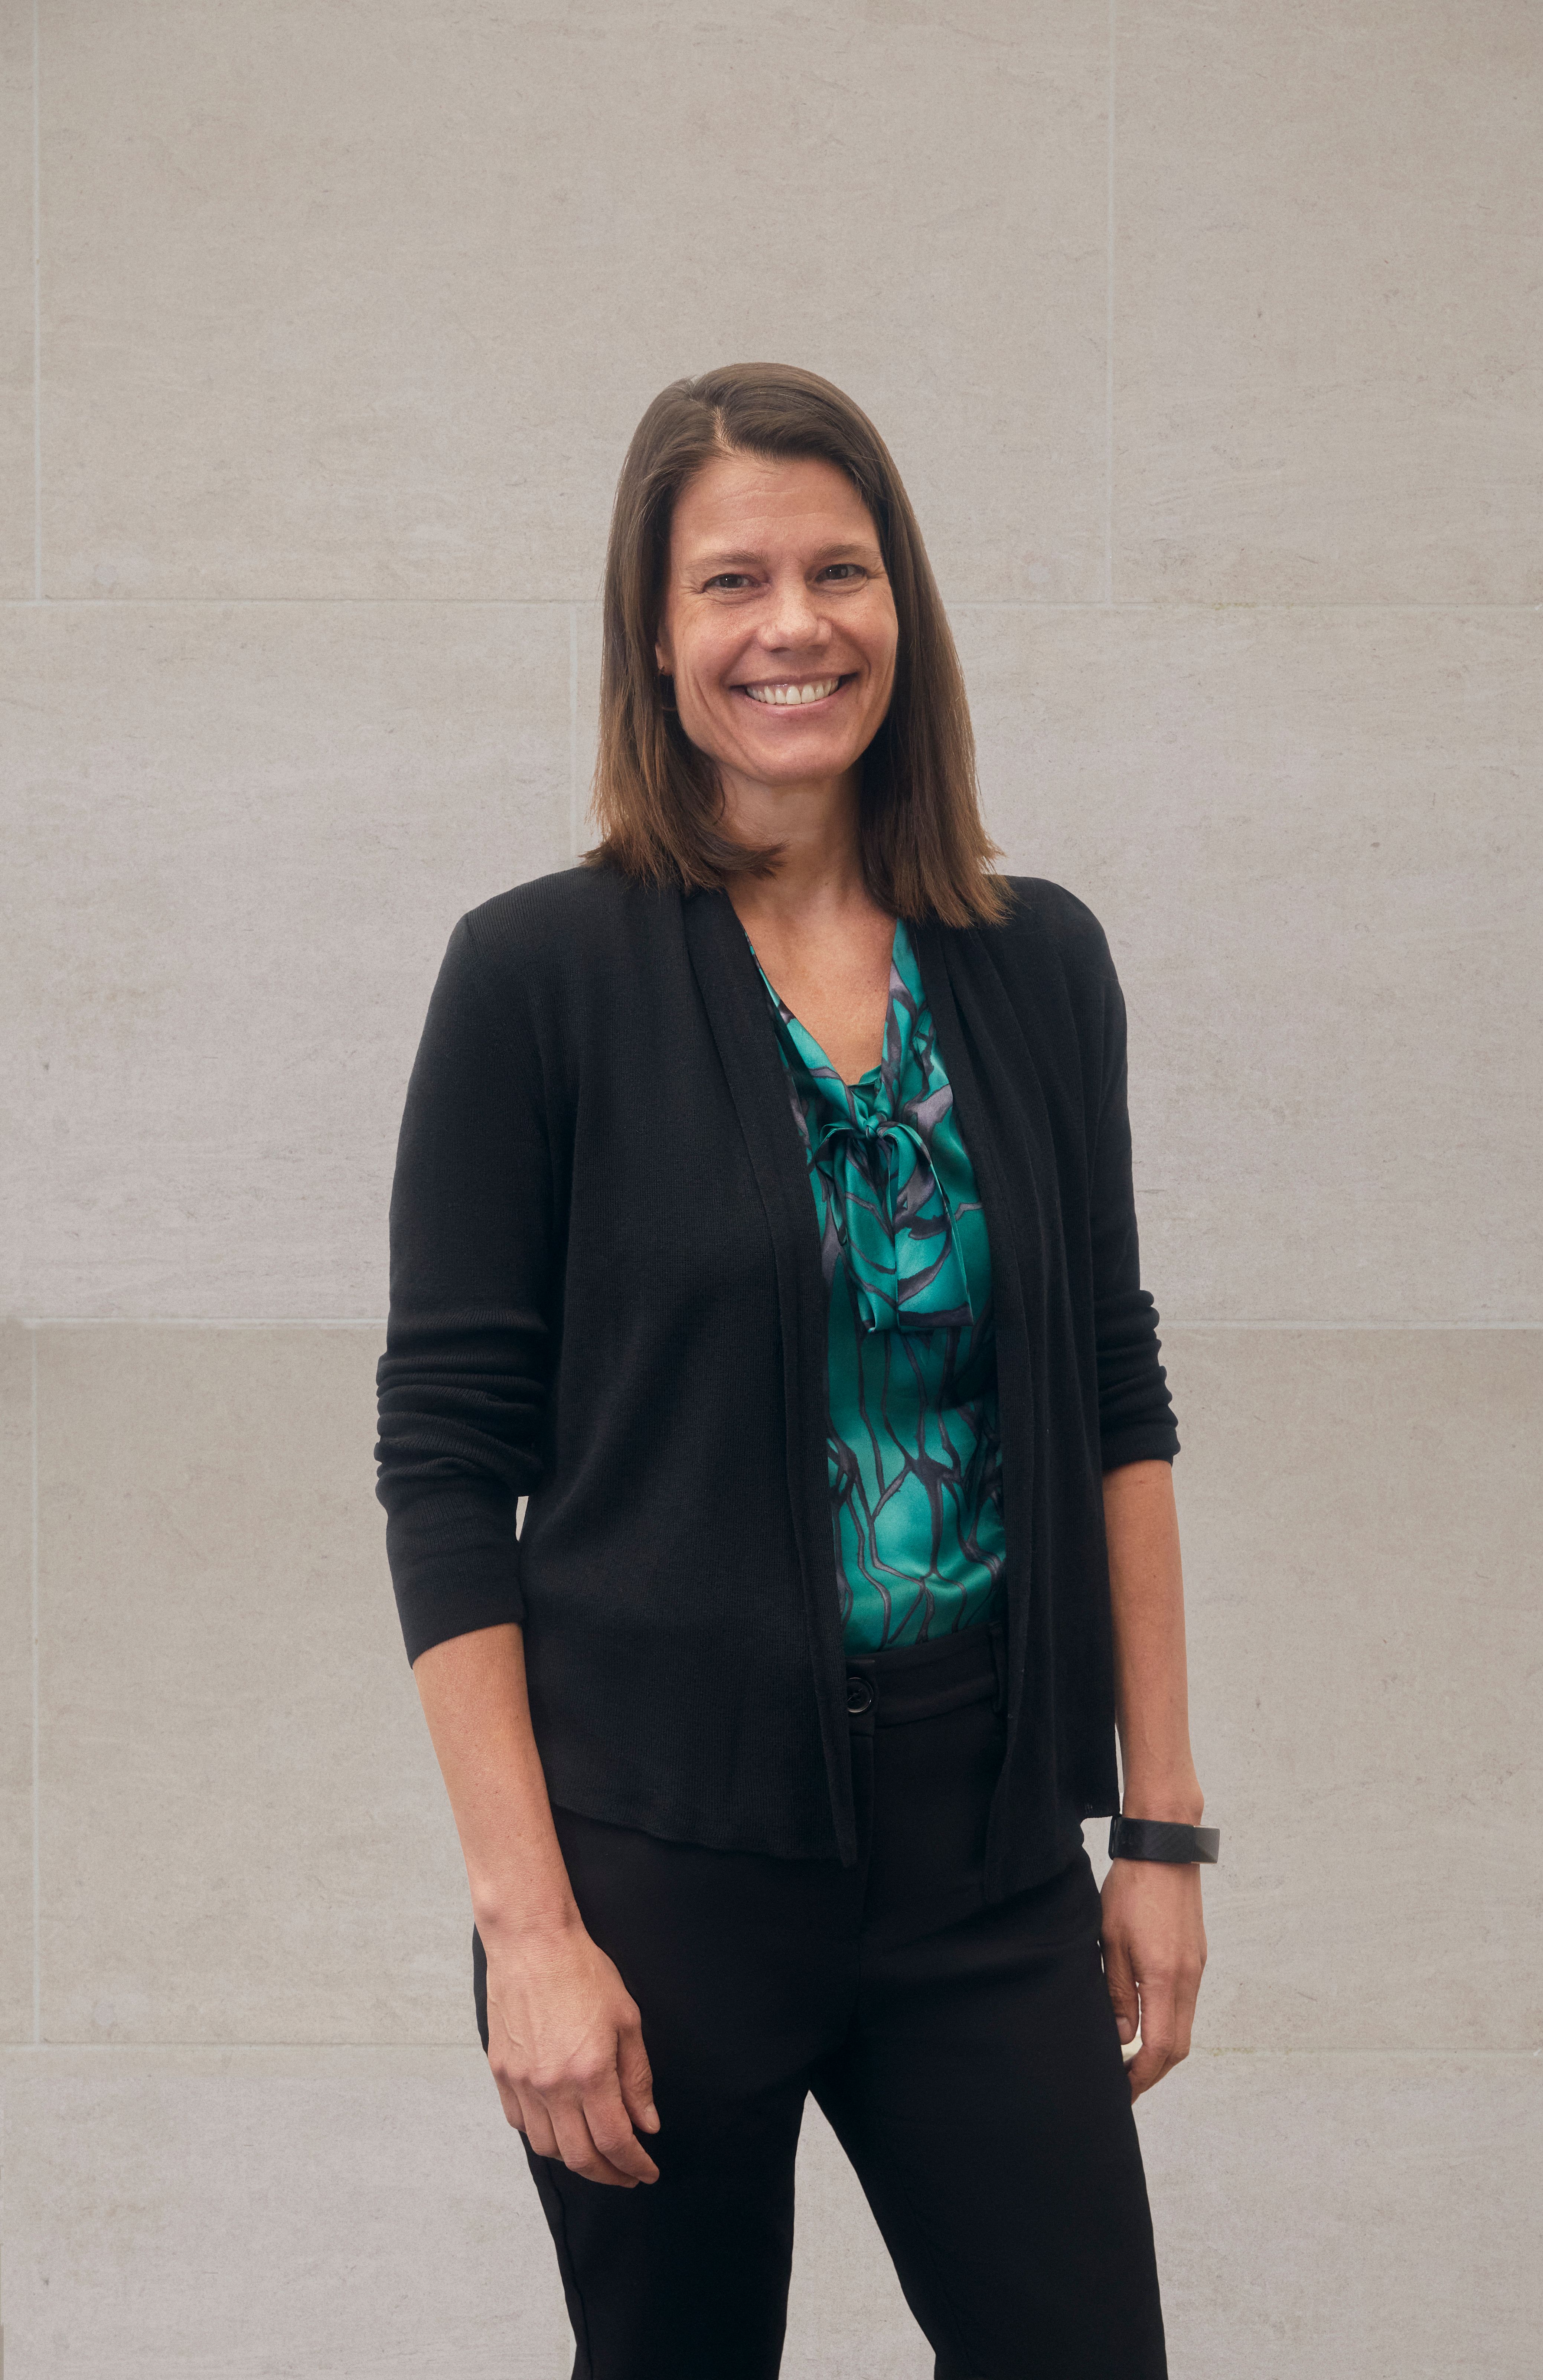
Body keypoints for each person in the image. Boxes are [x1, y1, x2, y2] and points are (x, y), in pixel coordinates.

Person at [374, 361, 1213, 2380]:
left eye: (839, 571)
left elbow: (1112, 1391)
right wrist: (530, 1936)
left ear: (898, 611)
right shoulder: (535, 979)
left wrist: (1159, 1830)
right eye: (730, 581)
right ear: (655, 643)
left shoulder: (1035, 961)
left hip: (985, 1850)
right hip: (659, 1876)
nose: (792, 626)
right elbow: (442, 1471)